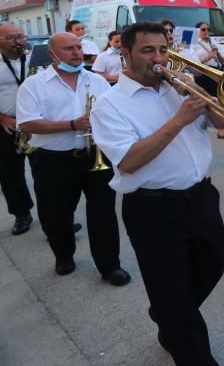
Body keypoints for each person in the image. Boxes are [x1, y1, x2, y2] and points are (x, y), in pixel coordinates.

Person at [91, 21, 224, 366]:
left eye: (163, 50)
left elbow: (222, 122)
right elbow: (131, 160)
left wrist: (203, 95)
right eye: (148, 51)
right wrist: (178, 120)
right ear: (126, 54)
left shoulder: (178, 88)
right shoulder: (110, 104)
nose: (158, 59)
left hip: (201, 196)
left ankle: (170, 317)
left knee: (211, 266)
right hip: (153, 207)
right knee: (173, 292)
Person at [15, 32, 131, 285]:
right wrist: (71, 124)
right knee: (56, 214)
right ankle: (64, 255)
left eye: (79, 47)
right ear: (52, 54)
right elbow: (26, 124)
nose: (77, 52)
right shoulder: (34, 85)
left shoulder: (96, 81)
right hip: (53, 160)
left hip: (95, 156)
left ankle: (110, 265)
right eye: (69, 48)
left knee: (103, 214)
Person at [0, 23, 34, 235]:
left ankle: (58, 218)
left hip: (37, 124)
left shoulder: (36, 60)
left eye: (20, 37)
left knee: (48, 173)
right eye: (11, 38)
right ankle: (21, 214)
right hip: (7, 124)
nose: (18, 42)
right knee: (10, 174)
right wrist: (1, 118)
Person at [188, 22, 224, 140]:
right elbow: (194, 63)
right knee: (206, 100)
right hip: (203, 74)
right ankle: (203, 125)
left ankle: (221, 131)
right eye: (203, 29)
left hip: (216, 71)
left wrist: (218, 53)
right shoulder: (194, 44)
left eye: (208, 29)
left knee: (220, 99)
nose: (206, 31)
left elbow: (221, 61)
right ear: (197, 31)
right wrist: (208, 56)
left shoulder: (212, 42)